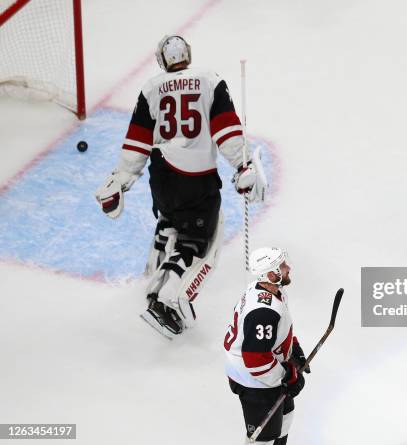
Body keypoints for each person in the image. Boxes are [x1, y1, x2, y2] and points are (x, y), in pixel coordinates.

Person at [94, 35, 267, 339]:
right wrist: (243, 166)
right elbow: (226, 130)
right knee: (198, 243)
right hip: (195, 179)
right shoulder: (210, 81)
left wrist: (120, 180)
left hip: (161, 178)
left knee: (171, 222)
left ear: (162, 61)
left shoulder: (150, 89)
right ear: (188, 54)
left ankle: (153, 279)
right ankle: (167, 301)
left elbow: (137, 142)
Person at [224, 247, 308, 445]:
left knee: (287, 415)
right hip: (254, 381)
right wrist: (288, 376)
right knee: (263, 439)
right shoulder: (263, 312)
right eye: (282, 266)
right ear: (271, 274)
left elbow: (276, 333)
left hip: (267, 371)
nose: (288, 267)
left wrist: (293, 349)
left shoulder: (270, 291)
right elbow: (255, 361)